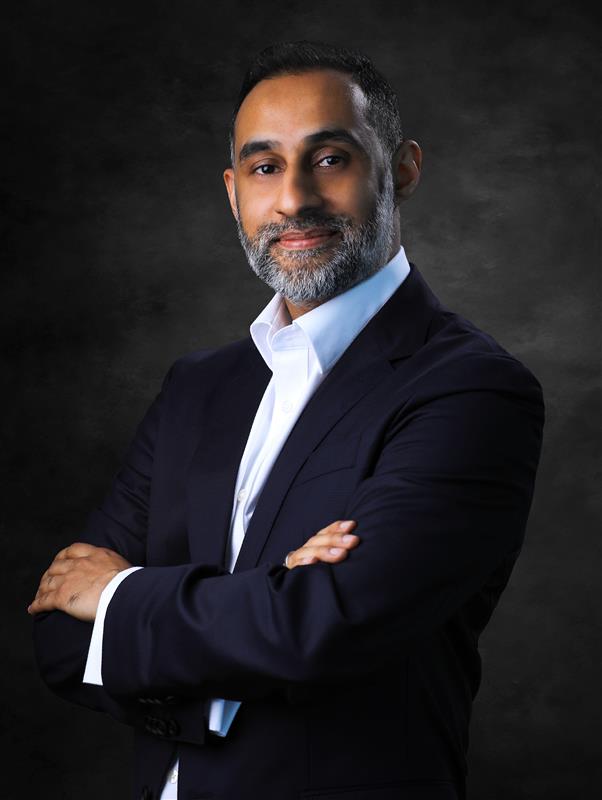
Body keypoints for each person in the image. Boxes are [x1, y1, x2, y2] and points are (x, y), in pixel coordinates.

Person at [29, 40, 545, 800]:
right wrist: (268, 603)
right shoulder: (197, 388)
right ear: (233, 190)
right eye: (266, 167)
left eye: (330, 159)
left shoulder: (470, 389)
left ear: (402, 169)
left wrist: (117, 599)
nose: (295, 199)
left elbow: (325, 627)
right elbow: (58, 638)